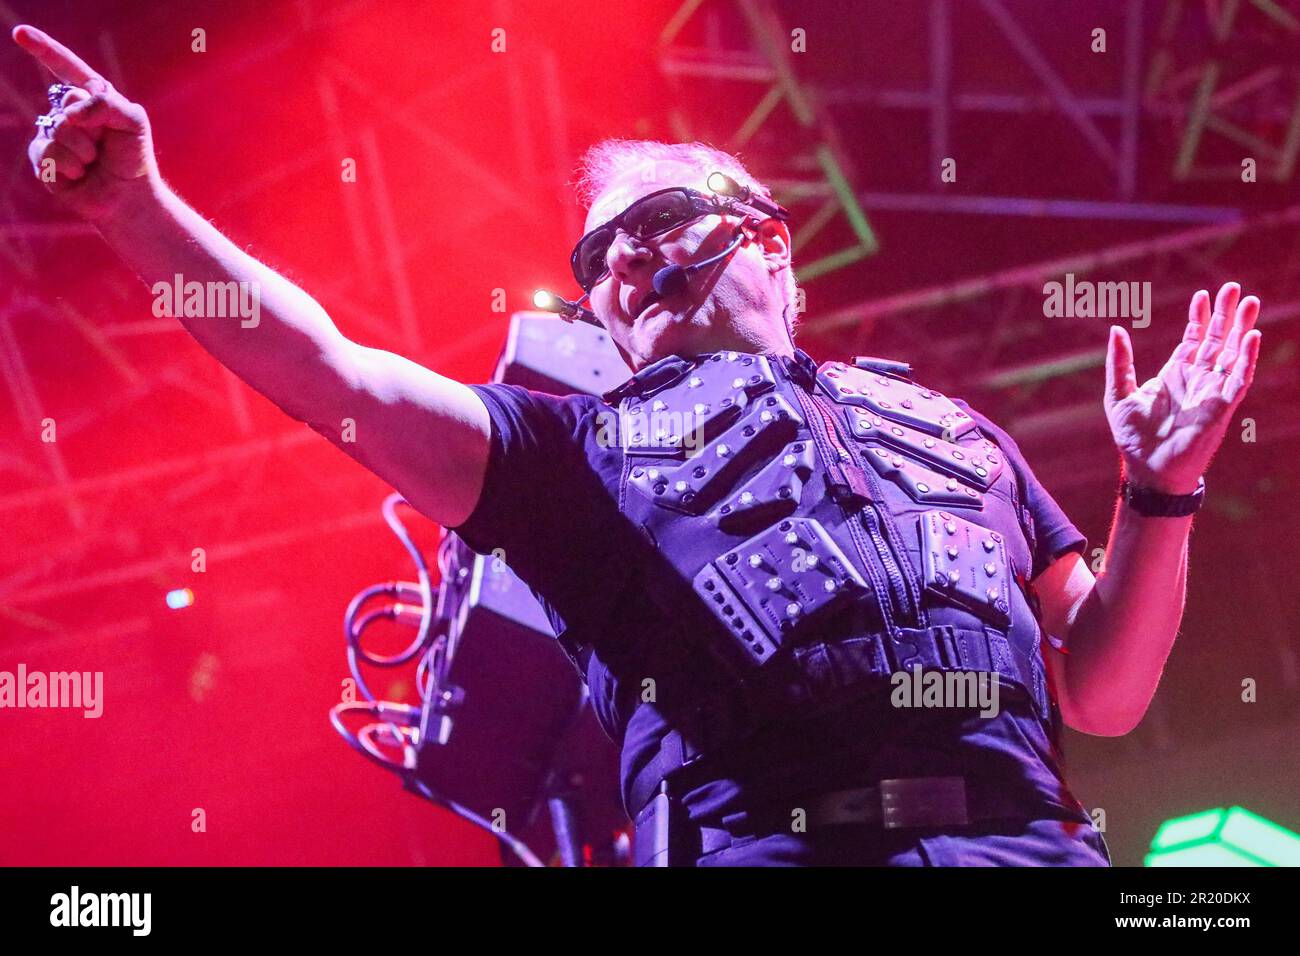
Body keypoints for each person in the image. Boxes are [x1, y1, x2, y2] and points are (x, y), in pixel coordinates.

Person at [15, 24, 1263, 866]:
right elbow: (326, 371)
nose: (619, 261)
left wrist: (1158, 491)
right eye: (593, 258)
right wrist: (140, 210)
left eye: (655, 220)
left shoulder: (949, 425)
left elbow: (1101, 687)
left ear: (768, 239)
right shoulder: (571, 456)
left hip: (1029, 847)